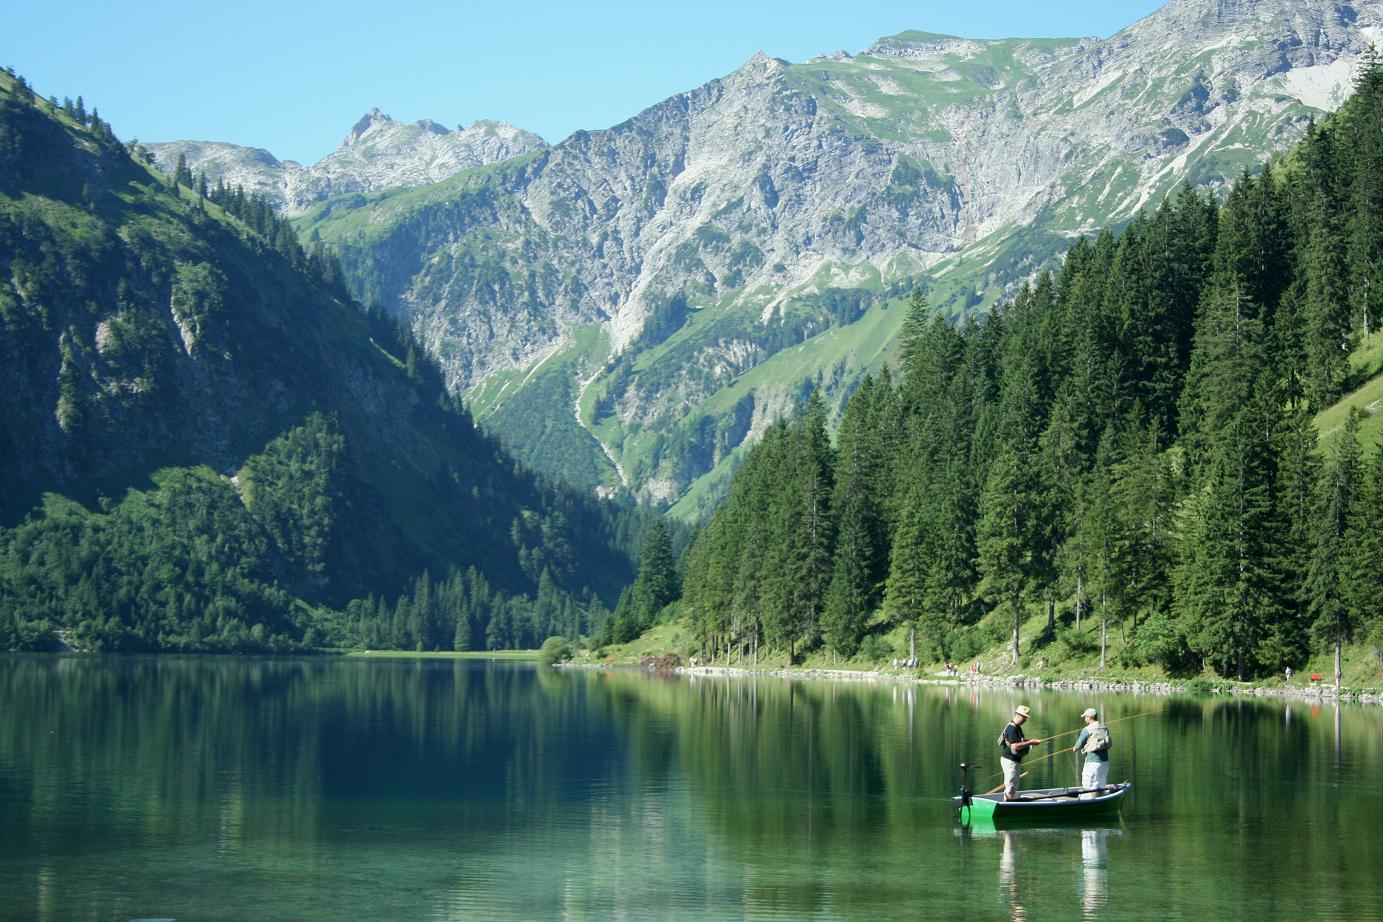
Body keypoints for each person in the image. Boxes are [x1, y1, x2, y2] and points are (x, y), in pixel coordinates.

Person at [999, 705, 1040, 801]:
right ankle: (1007, 806)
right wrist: (1030, 743)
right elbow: (1014, 746)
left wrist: (1031, 741)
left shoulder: (1018, 728)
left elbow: (1020, 741)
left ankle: (1008, 804)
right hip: (1010, 761)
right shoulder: (1012, 728)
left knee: (1012, 786)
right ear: (1017, 715)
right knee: (1011, 787)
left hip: (1013, 761)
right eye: (1023, 717)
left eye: (1026, 718)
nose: (1025, 720)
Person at [1071, 706, 1110, 798]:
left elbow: (1077, 747)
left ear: (1089, 717)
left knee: (1087, 786)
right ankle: (1099, 803)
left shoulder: (1087, 730)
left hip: (1092, 763)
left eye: (1085, 717)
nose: (1085, 719)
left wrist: (1074, 748)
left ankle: (1086, 803)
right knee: (1100, 786)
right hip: (1104, 763)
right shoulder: (1104, 728)